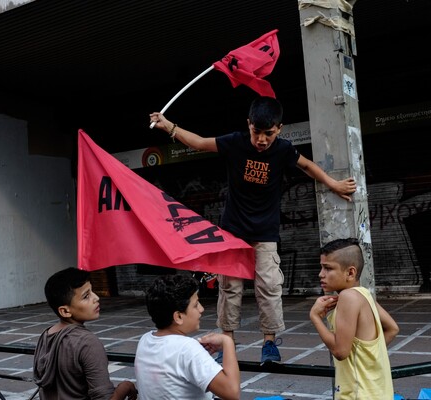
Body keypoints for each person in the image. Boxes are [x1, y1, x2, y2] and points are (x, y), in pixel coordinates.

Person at [150, 96, 357, 364]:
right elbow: (200, 143)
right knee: (230, 289)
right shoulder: (235, 142)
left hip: (265, 234)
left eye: (268, 133)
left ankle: (269, 343)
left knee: (269, 287)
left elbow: (306, 165)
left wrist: (334, 184)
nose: (261, 139)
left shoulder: (282, 150)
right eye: (256, 131)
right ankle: (227, 341)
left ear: (279, 129)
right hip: (232, 232)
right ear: (248, 124)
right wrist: (169, 127)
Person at [309, 238, 399, 399]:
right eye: (321, 267)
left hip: (358, 394)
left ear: (350, 272)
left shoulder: (348, 297)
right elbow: (392, 329)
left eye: (328, 268)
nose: (320, 274)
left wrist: (315, 317)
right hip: (376, 391)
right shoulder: (364, 294)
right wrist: (366, 359)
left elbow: (340, 351)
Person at [33, 267, 138, 400]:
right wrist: (125, 387)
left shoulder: (46, 335)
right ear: (65, 311)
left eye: (92, 291)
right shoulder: (87, 343)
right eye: (86, 296)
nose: (96, 298)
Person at [134, 274, 240, 400]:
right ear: (178, 317)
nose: (201, 309)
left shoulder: (145, 340)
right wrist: (227, 342)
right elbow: (232, 393)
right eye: (195, 305)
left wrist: (199, 357)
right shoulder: (187, 348)